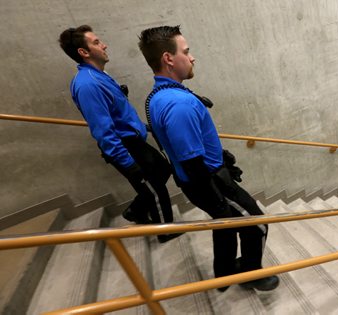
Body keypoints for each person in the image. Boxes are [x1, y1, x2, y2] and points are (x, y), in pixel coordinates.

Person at [137, 25, 279, 291]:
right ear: (168, 58)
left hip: (200, 176)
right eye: (186, 52)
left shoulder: (159, 96)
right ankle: (250, 275)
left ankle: (223, 275)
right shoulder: (179, 105)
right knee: (256, 223)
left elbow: (186, 145)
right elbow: (192, 162)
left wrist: (221, 156)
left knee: (224, 224)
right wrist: (218, 198)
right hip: (209, 180)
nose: (192, 58)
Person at [58, 25, 179, 243]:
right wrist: (129, 165)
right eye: (96, 42)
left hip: (133, 139)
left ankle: (136, 211)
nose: (103, 45)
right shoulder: (88, 85)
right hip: (124, 146)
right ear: (83, 52)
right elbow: (102, 130)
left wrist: (143, 127)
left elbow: (118, 114)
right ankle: (166, 231)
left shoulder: (99, 76)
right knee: (153, 187)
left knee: (162, 169)